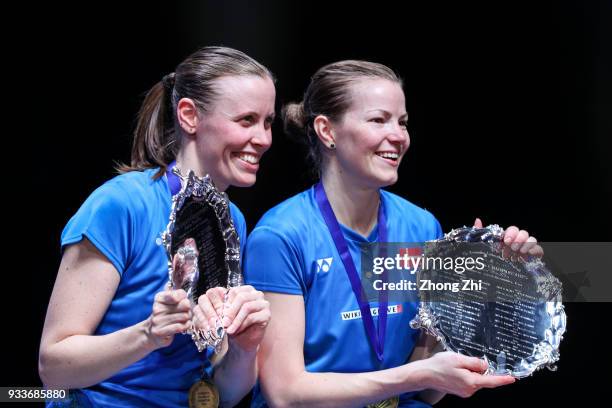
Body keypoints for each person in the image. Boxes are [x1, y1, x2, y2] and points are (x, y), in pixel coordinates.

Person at [244, 60, 540, 407]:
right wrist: (417, 376)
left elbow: (427, 390)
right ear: (327, 131)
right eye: (378, 120)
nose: (398, 136)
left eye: (402, 122)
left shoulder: (421, 227)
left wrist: (474, 295)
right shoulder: (280, 237)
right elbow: (285, 394)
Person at [39, 46, 275, 407]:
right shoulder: (120, 204)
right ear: (189, 116)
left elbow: (222, 396)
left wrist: (245, 347)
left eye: (268, 122)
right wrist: (148, 334)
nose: (264, 139)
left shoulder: (233, 221)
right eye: (246, 120)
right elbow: (54, 368)